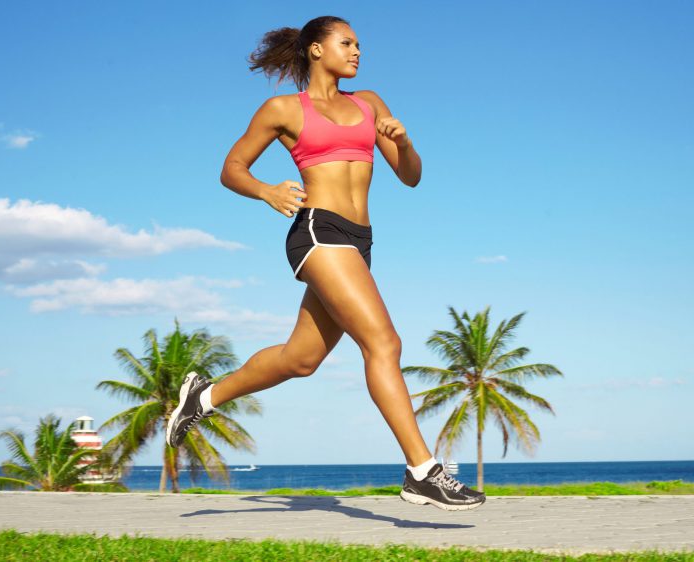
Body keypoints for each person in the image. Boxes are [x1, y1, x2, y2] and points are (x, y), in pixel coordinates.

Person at [166, 15, 485, 511]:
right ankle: (422, 471)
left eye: (359, 44)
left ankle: (203, 397)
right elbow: (231, 168)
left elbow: (411, 178)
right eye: (347, 43)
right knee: (384, 342)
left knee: (302, 359)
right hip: (318, 232)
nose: (357, 51)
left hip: (359, 241)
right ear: (316, 49)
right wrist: (266, 191)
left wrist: (403, 142)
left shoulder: (369, 103)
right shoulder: (283, 109)